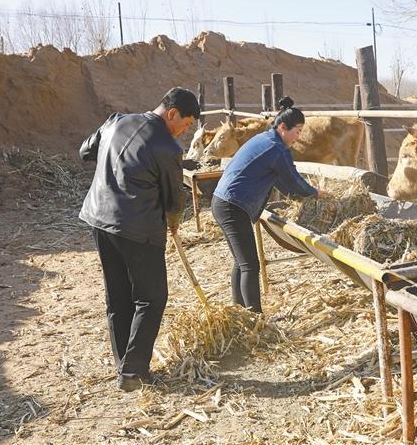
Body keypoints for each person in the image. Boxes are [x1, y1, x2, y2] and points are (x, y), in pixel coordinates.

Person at [79, 87, 200, 392]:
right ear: (171, 114)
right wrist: (173, 224)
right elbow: (175, 199)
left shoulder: (115, 121)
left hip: (99, 219)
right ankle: (133, 372)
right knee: (152, 298)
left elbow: (85, 152)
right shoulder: (167, 148)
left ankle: (125, 366)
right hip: (137, 228)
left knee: (118, 295)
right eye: (184, 125)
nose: (183, 133)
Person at [212, 97, 325, 313]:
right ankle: (255, 318)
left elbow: (283, 182)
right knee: (250, 265)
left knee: (241, 261)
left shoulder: (264, 139)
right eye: (297, 131)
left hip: (223, 201)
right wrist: (316, 193)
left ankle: (240, 312)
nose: (299, 136)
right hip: (232, 206)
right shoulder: (277, 149)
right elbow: (294, 182)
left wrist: (298, 196)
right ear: (283, 127)